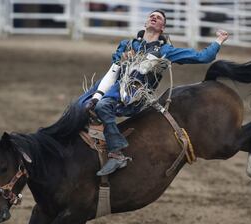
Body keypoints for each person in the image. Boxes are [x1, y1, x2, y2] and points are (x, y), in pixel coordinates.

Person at [85, 10, 229, 176]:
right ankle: (95, 145)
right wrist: (97, 94)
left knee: (102, 106)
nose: (154, 17)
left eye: (159, 17)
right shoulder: (127, 45)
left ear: (162, 28)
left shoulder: (165, 51)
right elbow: (113, 71)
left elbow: (202, 57)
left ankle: (116, 153)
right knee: (85, 104)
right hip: (116, 90)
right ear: (146, 23)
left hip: (136, 96)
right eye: (151, 16)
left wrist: (218, 40)